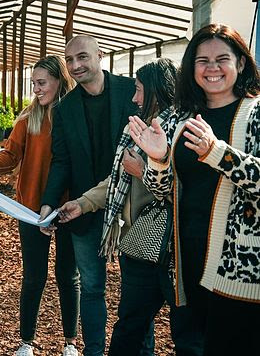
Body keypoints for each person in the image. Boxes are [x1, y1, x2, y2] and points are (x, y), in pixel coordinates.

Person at [129, 23, 260, 355]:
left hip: (240, 263)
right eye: (202, 60)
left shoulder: (256, 113)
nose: (212, 68)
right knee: (190, 343)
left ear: (241, 63)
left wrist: (216, 152)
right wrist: (157, 160)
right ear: (191, 67)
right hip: (187, 256)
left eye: (222, 59)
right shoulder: (179, 117)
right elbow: (163, 191)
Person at [59, 58, 185, 355]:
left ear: (156, 91)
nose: (134, 97)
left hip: (173, 248)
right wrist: (82, 203)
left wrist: (144, 170)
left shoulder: (181, 128)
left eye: (140, 90)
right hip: (139, 243)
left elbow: (188, 188)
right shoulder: (139, 129)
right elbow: (117, 180)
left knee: (183, 330)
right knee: (132, 325)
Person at [39, 35, 137, 356]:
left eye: (82, 57)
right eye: (69, 61)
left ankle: (138, 349)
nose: (76, 66)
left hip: (130, 208)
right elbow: (62, 161)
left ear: (100, 56)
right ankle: (94, 350)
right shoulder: (65, 108)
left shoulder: (130, 92)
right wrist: (48, 203)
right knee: (92, 289)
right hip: (84, 211)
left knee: (136, 292)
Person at [0, 56, 79, 356]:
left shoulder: (74, 115)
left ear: (60, 80)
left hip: (69, 207)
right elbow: (11, 153)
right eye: (33, 83)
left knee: (67, 275)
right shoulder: (28, 119)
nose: (36, 89)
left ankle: (70, 343)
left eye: (42, 83)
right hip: (31, 208)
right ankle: (26, 343)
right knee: (34, 275)